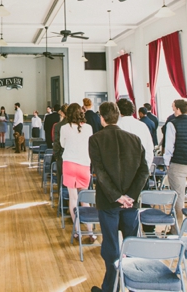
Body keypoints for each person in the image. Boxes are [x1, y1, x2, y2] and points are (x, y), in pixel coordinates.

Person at [89, 102, 150, 292]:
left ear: (102, 117)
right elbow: (144, 171)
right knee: (130, 244)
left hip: (108, 201)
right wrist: (130, 196)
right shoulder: (134, 139)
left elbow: (99, 171)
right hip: (131, 203)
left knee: (111, 246)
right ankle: (132, 285)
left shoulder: (96, 139)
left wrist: (117, 196)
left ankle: (111, 288)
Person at [60, 103, 95, 243]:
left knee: (73, 199)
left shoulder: (64, 128)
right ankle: (91, 232)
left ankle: (77, 232)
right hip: (84, 164)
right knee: (84, 200)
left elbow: (63, 145)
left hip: (69, 163)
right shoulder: (88, 128)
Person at [116, 99, 154, 170]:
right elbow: (149, 148)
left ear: (117, 110)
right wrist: (146, 167)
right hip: (141, 167)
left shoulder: (116, 126)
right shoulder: (142, 125)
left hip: (122, 170)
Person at [51, 104, 68, 188]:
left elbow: (56, 142)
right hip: (73, 156)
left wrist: (56, 156)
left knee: (61, 179)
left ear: (62, 113)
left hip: (61, 156)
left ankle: (61, 199)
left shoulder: (58, 126)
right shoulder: (78, 125)